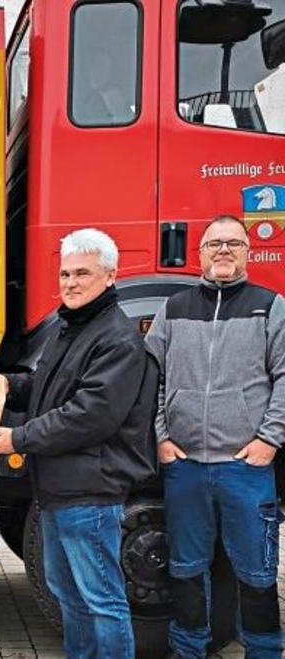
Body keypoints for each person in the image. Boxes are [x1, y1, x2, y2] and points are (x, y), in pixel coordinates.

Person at [0, 228, 157, 659]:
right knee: (68, 595)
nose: (71, 283)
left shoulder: (116, 338)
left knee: (102, 600)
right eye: (64, 274)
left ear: (110, 276)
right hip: (60, 489)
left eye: (82, 273)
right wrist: (9, 383)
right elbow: (50, 387)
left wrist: (17, 438)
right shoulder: (72, 326)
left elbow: (89, 415)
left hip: (90, 493)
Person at [145, 215, 285, 658]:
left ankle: (263, 651)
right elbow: (153, 379)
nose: (223, 251)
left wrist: (270, 439)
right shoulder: (174, 308)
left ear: (247, 252)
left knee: (258, 573)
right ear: (199, 254)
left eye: (233, 243)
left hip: (245, 468)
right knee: (186, 569)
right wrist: (161, 437)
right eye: (214, 244)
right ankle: (188, 649)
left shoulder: (271, 306)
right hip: (184, 466)